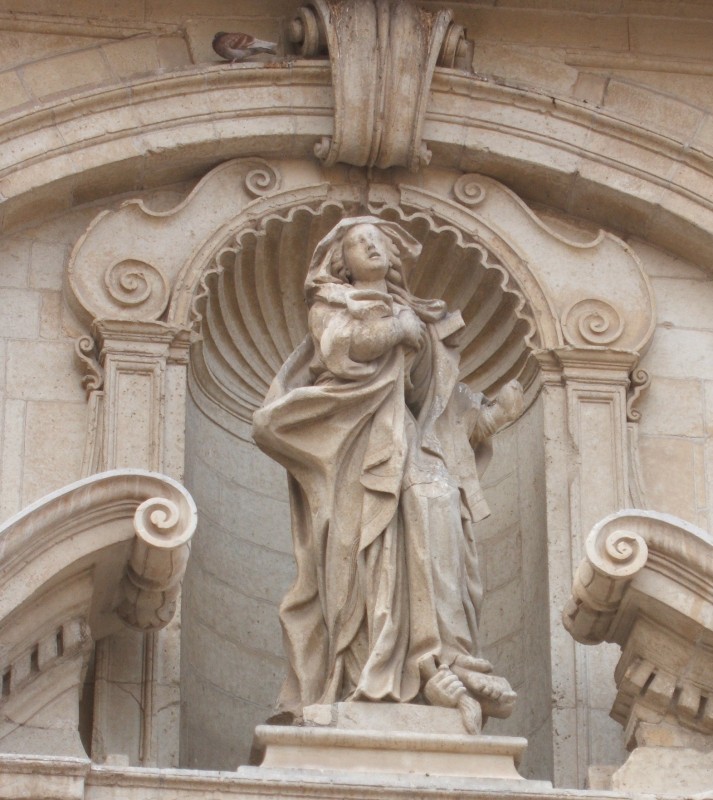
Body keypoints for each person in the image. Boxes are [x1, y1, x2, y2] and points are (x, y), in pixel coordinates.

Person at [252, 217, 523, 730]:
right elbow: (338, 349)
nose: (373, 246)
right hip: (353, 444)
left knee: (440, 503)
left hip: (407, 436)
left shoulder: (416, 313)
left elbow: (429, 398)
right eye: (359, 241)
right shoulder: (333, 305)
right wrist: (392, 330)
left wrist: (480, 418)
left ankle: (445, 659)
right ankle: (366, 670)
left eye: (380, 240)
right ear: (341, 260)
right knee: (362, 552)